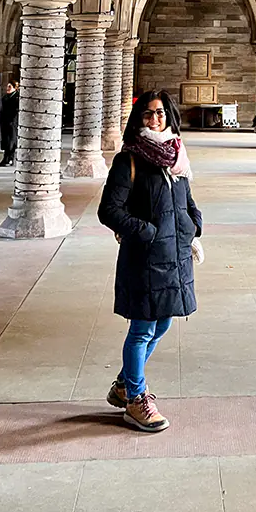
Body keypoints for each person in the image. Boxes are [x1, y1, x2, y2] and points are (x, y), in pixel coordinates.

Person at [98, 89, 203, 433]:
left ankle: (124, 383)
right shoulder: (128, 160)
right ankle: (135, 398)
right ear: (138, 118)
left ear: (169, 117)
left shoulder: (176, 157)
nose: (154, 119)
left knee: (163, 324)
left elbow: (186, 198)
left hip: (175, 257)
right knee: (142, 328)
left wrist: (194, 224)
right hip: (144, 258)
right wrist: (146, 232)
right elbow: (109, 210)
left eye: (160, 113)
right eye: (147, 114)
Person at [0, 80, 19, 166]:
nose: (7, 88)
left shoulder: (16, 97)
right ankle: (6, 158)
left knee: (11, 141)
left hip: (12, 122)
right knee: (6, 141)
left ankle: (10, 158)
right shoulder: (5, 97)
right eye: (7, 86)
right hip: (5, 122)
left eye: (10, 87)